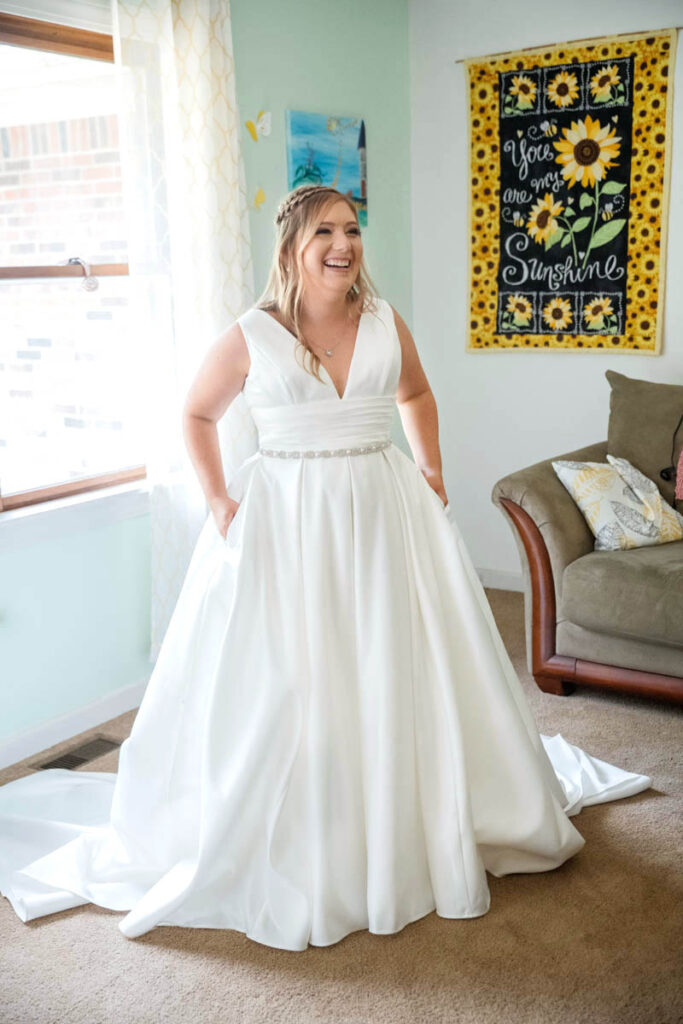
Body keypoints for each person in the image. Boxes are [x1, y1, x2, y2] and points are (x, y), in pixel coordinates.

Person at [0, 185, 651, 952]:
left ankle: (406, 805)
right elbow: (195, 414)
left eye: (351, 230)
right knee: (294, 671)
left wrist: (430, 468)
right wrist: (215, 498)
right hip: (288, 516)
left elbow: (414, 390)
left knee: (394, 656)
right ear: (291, 247)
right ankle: (314, 819)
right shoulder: (251, 333)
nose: (343, 244)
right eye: (325, 233)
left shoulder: (381, 319)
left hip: (381, 505)